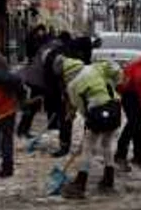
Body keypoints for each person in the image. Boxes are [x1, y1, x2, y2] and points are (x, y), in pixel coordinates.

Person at [52, 56, 122, 199]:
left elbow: (82, 108)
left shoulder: (71, 86)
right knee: (107, 144)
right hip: (114, 108)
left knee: (88, 147)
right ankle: (109, 179)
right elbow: (114, 69)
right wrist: (114, 85)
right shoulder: (92, 68)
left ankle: (80, 183)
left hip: (96, 113)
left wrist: (87, 122)